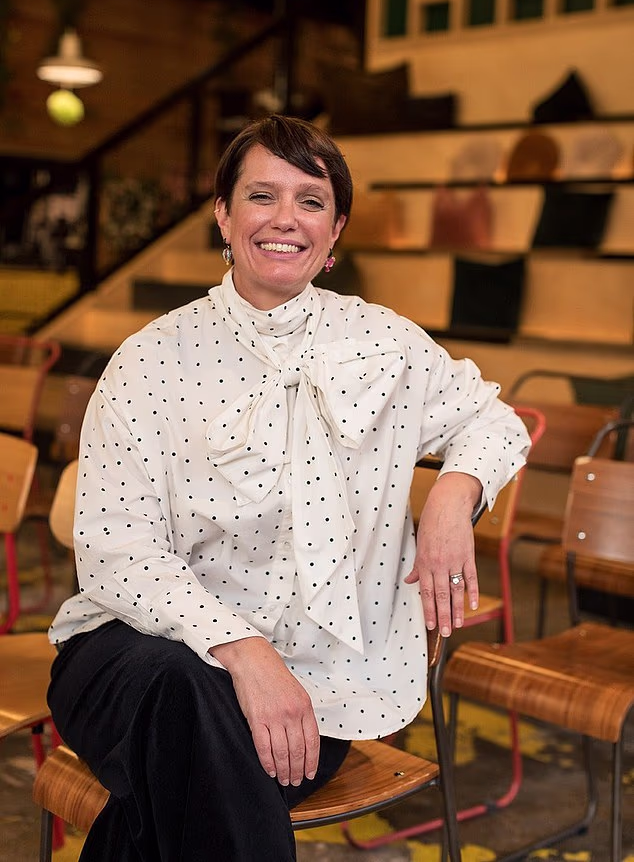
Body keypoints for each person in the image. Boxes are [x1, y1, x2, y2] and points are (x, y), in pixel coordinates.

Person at [47, 114, 530, 861]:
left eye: (311, 201)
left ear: (335, 231)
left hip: (317, 685)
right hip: (132, 654)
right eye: (261, 195)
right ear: (223, 215)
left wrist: (450, 496)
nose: (285, 219)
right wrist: (246, 654)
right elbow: (116, 551)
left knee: (176, 785)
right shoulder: (151, 359)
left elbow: (495, 424)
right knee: (185, 689)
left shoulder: (385, 342)